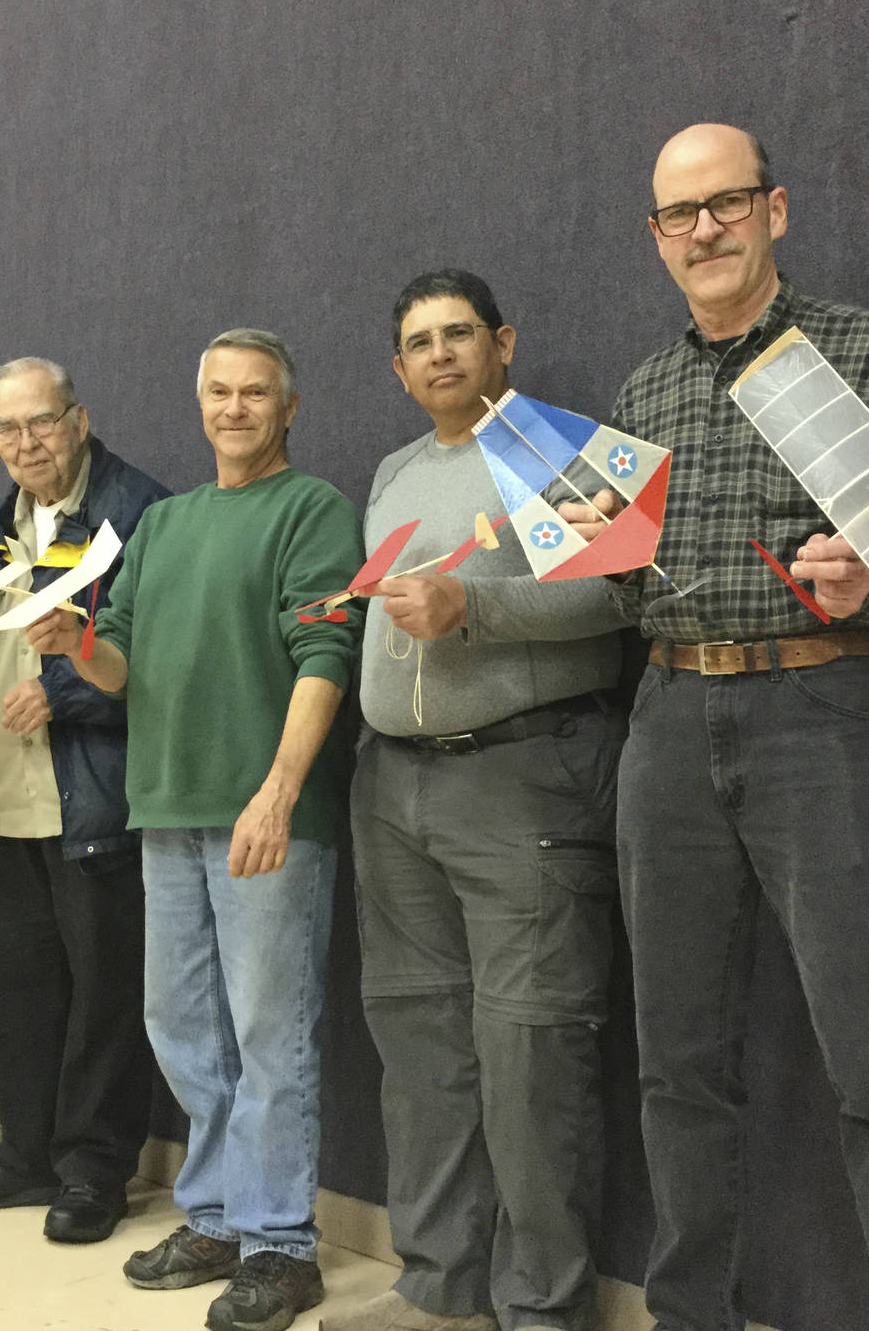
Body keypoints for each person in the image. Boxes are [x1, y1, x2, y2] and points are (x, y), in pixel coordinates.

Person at [571, 123, 869, 1331]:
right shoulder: (641, 391)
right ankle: (687, 1314)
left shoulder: (862, 351)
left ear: (775, 211)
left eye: (724, 203)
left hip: (820, 716)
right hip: (665, 721)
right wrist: (593, 555)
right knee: (675, 1065)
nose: (702, 229)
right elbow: (622, 587)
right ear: (653, 239)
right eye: (676, 214)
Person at [26, 329, 362, 1331]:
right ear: (198, 402)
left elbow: (325, 654)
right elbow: (119, 664)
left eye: (254, 393)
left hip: (267, 819)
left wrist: (279, 789)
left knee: (268, 1035)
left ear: (287, 408)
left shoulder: (312, 511)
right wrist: (74, 641)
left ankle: (278, 1244)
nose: (233, 408)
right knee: (180, 1031)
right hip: (164, 810)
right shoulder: (164, 525)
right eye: (217, 392)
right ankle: (214, 1217)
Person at [326, 271, 629, 1331]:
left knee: (529, 1052)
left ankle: (540, 1306)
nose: (440, 353)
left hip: (522, 779)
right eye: (418, 341)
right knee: (419, 1044)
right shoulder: (394, 471)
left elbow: (617, 592)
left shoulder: (555, 450)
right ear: (397, 369)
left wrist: (476, 607)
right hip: (392, 785)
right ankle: (439, 1284)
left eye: (459, 333)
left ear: (503, 340)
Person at [0, 358, 169, 1243]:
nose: (25, 444)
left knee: (106, 991)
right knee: (20, 989)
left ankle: (96, 1170)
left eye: (41, 423)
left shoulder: (141, 512)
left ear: (80, 418)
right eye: (6, 431)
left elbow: (164, 666)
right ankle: (25, 1152)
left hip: (94, 801)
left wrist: (64, 696)